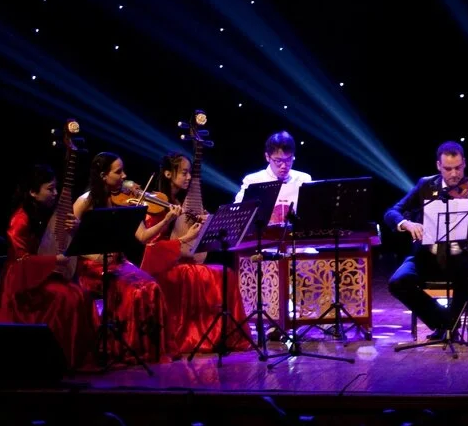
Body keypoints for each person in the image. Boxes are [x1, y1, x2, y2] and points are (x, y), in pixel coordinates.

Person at [0, 164, 100, 371]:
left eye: (56, 187)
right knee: (65, 298)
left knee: (80, 294)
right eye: (50, 189)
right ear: (33, 192)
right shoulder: (20, 220)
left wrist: (76, 229)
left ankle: (76, 355)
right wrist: (54, 260)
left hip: (39, 273)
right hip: (21, 282)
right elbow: (22, 260)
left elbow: (54, 241)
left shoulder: (44, 213)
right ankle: (57, 358)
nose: (56, 193)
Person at [138, 152, 248, 356]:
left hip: (179, 261)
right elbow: (150, 243)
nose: (189, 177)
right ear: (168, 174)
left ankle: (221, 335)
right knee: (200, 275)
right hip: (161, 266)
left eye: (190, 173)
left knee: (226, 273)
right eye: (184, 173)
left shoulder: (179, 203)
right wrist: (178, 230)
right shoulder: (154, 203)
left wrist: (206, 222)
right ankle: (195, 336)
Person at [385, 142, 468, 341]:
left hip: (464, 257)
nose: (454, 174)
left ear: (464, 164)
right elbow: (392, 212)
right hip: (427, 256)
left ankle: (448, 327)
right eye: (448, 169)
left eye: (458, 168)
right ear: (438, 166)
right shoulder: (426, 185)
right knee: (397, 283)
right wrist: (406, 223)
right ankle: (445, 323)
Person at [73, 152, 167, 363]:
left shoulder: (122, 200)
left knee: (152, 286)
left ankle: (147, 350)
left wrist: (167, 219)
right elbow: (70, 240)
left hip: (118, 261)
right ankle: (121, 347)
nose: (124, 176)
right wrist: (94, 253)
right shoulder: (85, 201)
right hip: (92, 265)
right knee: (133, 291)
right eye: (118, 172)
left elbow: (143, 237)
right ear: (103, 175)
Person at [234, 130, 313, 225]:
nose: (284, 166)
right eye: (278, 161)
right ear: (267, 157)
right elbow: (237, 213)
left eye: (289, 160)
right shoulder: (253, 180)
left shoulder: (303, 179)